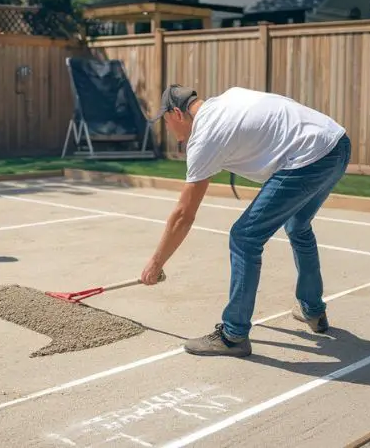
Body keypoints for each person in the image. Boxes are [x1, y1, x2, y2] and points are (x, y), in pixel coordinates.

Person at [139, 84, 351, 358]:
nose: (169, 133)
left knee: (244, 237)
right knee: (298, 226)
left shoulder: (205, 134)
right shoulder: (228, 98)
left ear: (177, 113)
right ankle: (313, 311)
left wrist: (156, 264)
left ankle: (233, 335)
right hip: (338, 143)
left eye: (166, 123)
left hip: (309, 156)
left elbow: (184, 214)